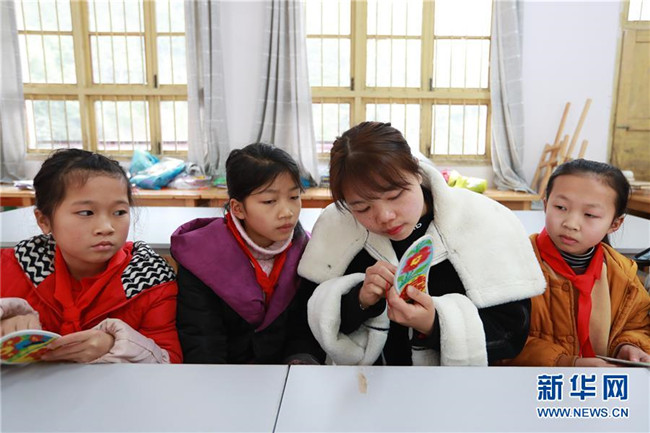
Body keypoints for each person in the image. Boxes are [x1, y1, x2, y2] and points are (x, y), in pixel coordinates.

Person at [297, 121, 546, 366]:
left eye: (395, 195)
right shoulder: (337, 226)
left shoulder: (483, 219)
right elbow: (305, 322)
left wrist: (434, 323)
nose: (385, 216)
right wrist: (359, 301)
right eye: (362, 208)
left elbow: (512, 332)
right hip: (364, 384)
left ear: (416, 171)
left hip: (451, 387)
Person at [0, 149, 181, 363]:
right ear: (44, 221)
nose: (106, 227)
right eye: (86, 213)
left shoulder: (151, 279)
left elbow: (169, 361)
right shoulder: (11, 267)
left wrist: (114, 346)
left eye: (119, 212)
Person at [171, 143, 324, 364]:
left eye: (294, 196)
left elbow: (305, 327)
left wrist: (300, 360)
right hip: (224, 375)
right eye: (269, 201)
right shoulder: (201, 257)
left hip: (286, 376)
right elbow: (202, 340)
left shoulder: (305, 251)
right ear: (238, 208)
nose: (287, 212)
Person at [504, 159, 650, 366]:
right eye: (560, 207)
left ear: (615, 223)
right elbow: (499, 337)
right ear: (545, 205)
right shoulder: (513, 264)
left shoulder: (623, 274)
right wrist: (566, 363)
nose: (571, 224)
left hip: (601, 383)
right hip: (533, 383)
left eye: (590, 214)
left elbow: (636, 324)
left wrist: (628, 346)